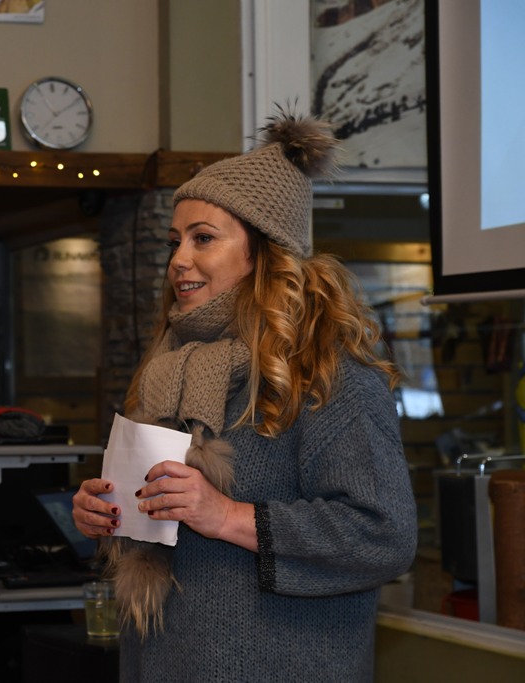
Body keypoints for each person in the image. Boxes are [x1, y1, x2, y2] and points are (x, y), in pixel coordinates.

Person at [72, 110, 417, 682]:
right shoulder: (169, 369)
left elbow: (384, 535)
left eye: (203, 238)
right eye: (175, 241)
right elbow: (167, 523)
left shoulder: (329, 373)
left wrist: (227, 515)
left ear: (264, 250)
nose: (178, 260)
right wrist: (111, 511)